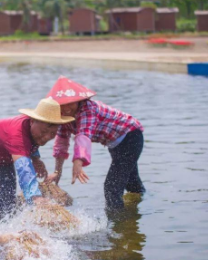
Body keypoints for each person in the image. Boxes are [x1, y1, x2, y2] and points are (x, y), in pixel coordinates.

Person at [44, 76, 145, 210]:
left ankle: (117, 224)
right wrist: (57, 172)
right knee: (131, 183)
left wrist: (78, 161)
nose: (67, 108)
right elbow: (61, 142)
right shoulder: (63, 116)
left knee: (112, 186)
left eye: (71, 102)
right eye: (63, 104)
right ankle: (141, 204)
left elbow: (84, 134)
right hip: (115, 143)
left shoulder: (88, 109)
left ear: (79, 100)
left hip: (130, 136)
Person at [0, 98, 74, 219]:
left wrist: (36, 159)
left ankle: (0, 223)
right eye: (43, 131)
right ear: (32, 121)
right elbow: (24, 169)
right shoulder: (17, 133)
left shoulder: (33, 129)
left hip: (0, 157)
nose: (46, 137)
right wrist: (35, 197)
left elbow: (31, 141)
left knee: (7, 192)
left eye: (52, 134)